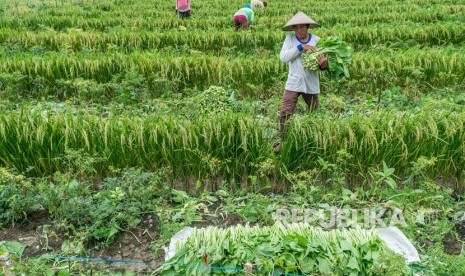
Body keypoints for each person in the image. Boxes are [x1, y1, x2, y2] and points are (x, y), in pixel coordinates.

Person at [274, 11, 328, 153]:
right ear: (293, 29)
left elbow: (323, 65)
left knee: (314, 111)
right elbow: (284, 57)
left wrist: (324, 65)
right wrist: (301, 47)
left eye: (302, 27)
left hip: (311, 83)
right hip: (294, 82)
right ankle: (284, 142)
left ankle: (316, 140)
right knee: (285, 112)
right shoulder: (290, 40)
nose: (299, 30)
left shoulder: (317, 40)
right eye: (296, 28)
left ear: (307, 26)